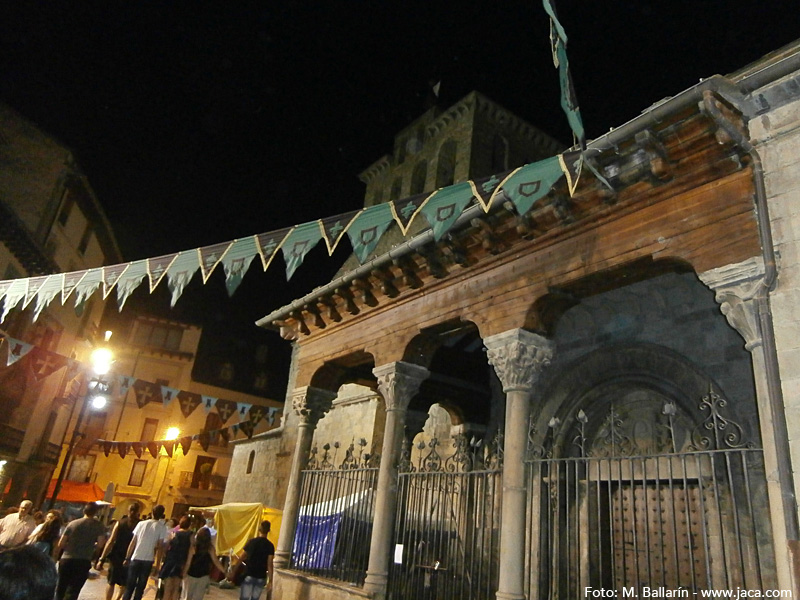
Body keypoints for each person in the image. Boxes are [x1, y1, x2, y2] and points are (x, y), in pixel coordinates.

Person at [55, 502, 107, 600]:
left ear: (84, 511)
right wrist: (92, 545)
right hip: (83, 560)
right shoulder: (99, 526)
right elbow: (100, 544)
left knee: (60, 588)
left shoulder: (72, 524)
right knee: (74, 590)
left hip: (66, 559)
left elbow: (61, 543)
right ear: (95, 512)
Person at [123, 504, 168, 600]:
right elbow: (160, 547)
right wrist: (157, 564)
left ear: (152, 512)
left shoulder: (141, 524)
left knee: (129, 586)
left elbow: (133, 542)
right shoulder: (161, 527)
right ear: (161, 515)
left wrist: (127, 557)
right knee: (140, 587)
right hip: (148, 559)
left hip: (136, 557)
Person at [96, 503, 141, 600]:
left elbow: (111, 541)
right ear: (138, 512)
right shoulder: (140, 525)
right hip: (131, 556)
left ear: (128, 511)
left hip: (116, 555)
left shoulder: (120, 523)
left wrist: (102, 558)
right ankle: (117, 598)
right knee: (124, 583)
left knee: (111, 582)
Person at [231, 520, 274, 600]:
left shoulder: (251, 542)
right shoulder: (270, 546)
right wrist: (270, 581)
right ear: (268, 531)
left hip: (249, 573)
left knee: (244, 598)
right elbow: (269, 564)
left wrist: (234, 571)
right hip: (261, 576)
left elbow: (241, 558)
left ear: (259, 529)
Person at [181, 527, 225, 600]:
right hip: (204, 576)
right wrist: (224, 571)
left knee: (186, 596)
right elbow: (216, 561)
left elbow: (188, 562)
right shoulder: (210, 548)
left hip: (191, 574)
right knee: (198, 597)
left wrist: (184, 573)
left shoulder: (194, 547)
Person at [158, 515, 193, 600]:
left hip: (170, 562)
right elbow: (190, 552)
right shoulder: (190, 535)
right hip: (181, 563)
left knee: (167, 589)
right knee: (176, 589)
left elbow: (165, 549)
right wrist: (187, 567)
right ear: (189, 524)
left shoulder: (173, 533)